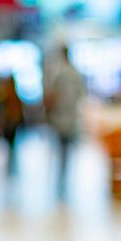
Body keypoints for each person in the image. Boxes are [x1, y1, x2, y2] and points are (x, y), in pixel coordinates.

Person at [43, 44, 86, 195]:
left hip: (60, 117)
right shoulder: (76, 73)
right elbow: (81, 95)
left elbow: (52, 96)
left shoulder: (59, 73)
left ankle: (61, 176)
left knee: (61, 148)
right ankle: (64, 175)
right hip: (70, 116)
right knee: (67, 149)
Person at [0, 75, 24, 175]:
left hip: (12, 120)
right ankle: (11, 161)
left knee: (11, 142)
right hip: (11, 120)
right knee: (10, 142)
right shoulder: (8, 95)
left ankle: (11, 162)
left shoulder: (9, 95)